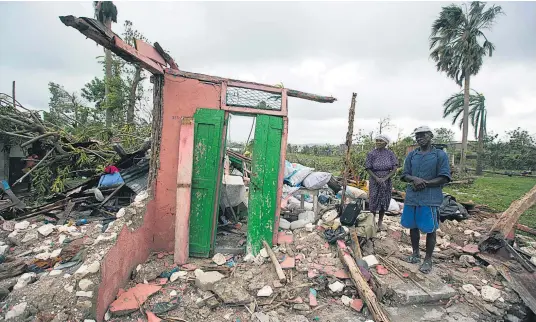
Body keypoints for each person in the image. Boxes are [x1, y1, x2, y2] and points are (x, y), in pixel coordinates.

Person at [400, 126, 451, 274]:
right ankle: (415, 253)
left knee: (430, 228)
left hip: (430, 197)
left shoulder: (439, 155)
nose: (419, 138)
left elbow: (444, 177)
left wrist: (425, 183)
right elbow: (404, 175)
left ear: (430, 136)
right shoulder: (412, 155)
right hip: (413, 196)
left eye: (422, 135)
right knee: (413, 226)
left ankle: (428, 259)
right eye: (417, 136)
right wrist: (414, 179)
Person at [365, 134, 399, 230]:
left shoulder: (390, 154)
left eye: (380, 141)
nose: (378, 142)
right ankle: (372, 222)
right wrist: (376, 178)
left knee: (384, 200)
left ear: (386, 143)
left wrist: (385, 178)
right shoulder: (371, 154)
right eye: (377, 140)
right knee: (373, 199)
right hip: (374, 180)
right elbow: (368, 168)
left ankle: (380, 222)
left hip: (386, 181)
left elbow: (394, 168)